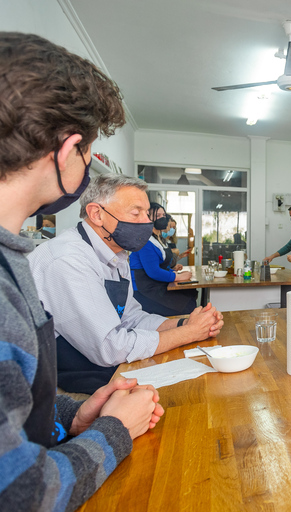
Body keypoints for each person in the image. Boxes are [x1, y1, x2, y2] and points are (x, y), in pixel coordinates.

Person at [0, 31, 163, 510]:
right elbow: (21, 494)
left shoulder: (15, 258)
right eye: (89, 153)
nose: (88, 165)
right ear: (69, 148)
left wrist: (72, 414)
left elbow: (15, 405)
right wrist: (115, 430)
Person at [29, 173, 224, 394]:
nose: (146, 222)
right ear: (97, 214)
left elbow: (131, 317)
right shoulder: (68, 260)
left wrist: (186, 324)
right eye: (136, 213)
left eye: (146, 213)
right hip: (56, 387)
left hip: (101, 367)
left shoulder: (117, 255)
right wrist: (189, 333)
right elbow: (110, 347)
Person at [129, 203, 198, 316]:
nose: (162, 218)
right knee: (187, 306)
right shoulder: (145, 241)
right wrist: (177, 276)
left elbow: (162, 266)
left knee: (190, 293)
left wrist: (173, 272)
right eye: (158, 215)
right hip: (144, 291)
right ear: (148, 217)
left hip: (156, 285)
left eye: (163, 215)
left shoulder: (158, 240)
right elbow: (153, 271)